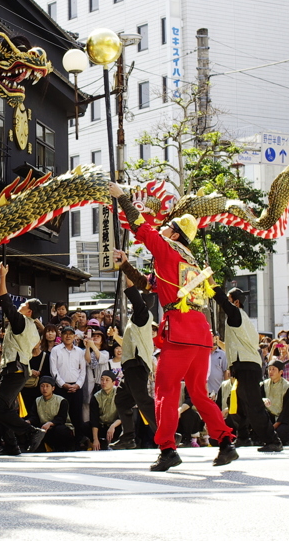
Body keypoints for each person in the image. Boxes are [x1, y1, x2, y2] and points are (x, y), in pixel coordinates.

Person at [110, 181, 237, 472]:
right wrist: (127, 265)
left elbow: (142, 228)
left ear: (175, 233)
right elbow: (148, 285)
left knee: (166, 391)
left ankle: (167, 448)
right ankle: (226, 442)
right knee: (199, 393)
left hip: (179, 331)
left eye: (168, 227)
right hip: (200, 333)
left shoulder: (167, 249)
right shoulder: (189, 260)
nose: (163, 229)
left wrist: (123, 198)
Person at [212, 285, 283, 453]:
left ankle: (273, 440)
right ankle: (243, 437)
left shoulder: (236, 314)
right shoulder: (242, 318)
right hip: (245, 365)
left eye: (229, 300)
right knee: (240, 403)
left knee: (254, 405)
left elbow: (221, 300)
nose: (227, 303)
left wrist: (211, 282)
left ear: (236, 302)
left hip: (247, 366)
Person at [0, 262, 47, 456]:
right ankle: (11, 444)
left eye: (23, 305)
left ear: (29, 311)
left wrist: (2, 277)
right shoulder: (32, 328)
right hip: (20, 369)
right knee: (8, 408)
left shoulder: (21, 321)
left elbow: (4, 300)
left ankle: (32, 432)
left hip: (14, 370)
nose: (20, 306)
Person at [108, 251, 157, 450]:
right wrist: (115, 337)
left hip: (137, 364)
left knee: (143, 401)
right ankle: (128, 436)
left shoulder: (143, 313)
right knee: (122, 400)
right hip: (132, 364)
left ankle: (166, 433)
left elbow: (131, 290)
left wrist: (125, 265)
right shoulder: (139, 320)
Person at [50, 326, 87, 438]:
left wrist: (78, 385)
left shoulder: (80, 352)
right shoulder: (55, 350)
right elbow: (53, 370)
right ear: (61, 336)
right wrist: (63, 384)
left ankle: (79, 442)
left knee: (77, 417)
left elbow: (83, 371)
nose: (68, 336)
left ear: (74, 336)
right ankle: (63, 441)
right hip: (61, 388)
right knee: (61, 416)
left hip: (76, 388)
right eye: (65, 334)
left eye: (71, 334)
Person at [31, 376, 75, 452]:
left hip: (61, 428)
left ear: (53, 388)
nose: (44, 389)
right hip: (45, 429)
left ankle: (65, 448)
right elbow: (34, 417)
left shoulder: (61, 400)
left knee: (60, 430)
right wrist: (28, 421)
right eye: (42, 386)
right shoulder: (37, 401)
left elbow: (61, 418)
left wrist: (50, 423)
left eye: (47, 386)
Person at [261, 359, 289, 446]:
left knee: (280, 433)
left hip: (286, 419)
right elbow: (258, 399)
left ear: (281, 372)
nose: (270, 371)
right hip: (270, 416)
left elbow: (287, 411)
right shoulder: (263, 385)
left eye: (274, 369)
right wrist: (263, 399)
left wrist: (273, 427)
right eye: (269, 369)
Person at [89, 370, 122, 451]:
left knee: (126, 424)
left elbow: (123, 415)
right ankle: (99, 441)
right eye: (102, 379)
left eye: (107, 380)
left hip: (115, 426)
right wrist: (95, 439)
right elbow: (94, 419)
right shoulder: (96, 397)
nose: (104, 382)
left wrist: (113, 426)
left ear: (114, 382)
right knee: (85, 426)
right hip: (102, 425)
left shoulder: (119, 394)